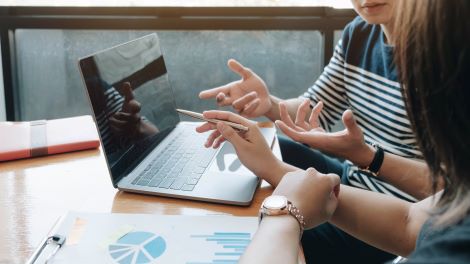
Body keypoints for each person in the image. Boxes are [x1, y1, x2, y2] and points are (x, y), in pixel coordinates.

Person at [196, 0, 470, 263]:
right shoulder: (359, 34)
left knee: (254, 227)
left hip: (399, 197)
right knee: (274, 147)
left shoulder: (443, 52)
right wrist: (270, 105)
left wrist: (368, 157)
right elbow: (316, 110)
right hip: (354, 174)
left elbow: (446, 188)